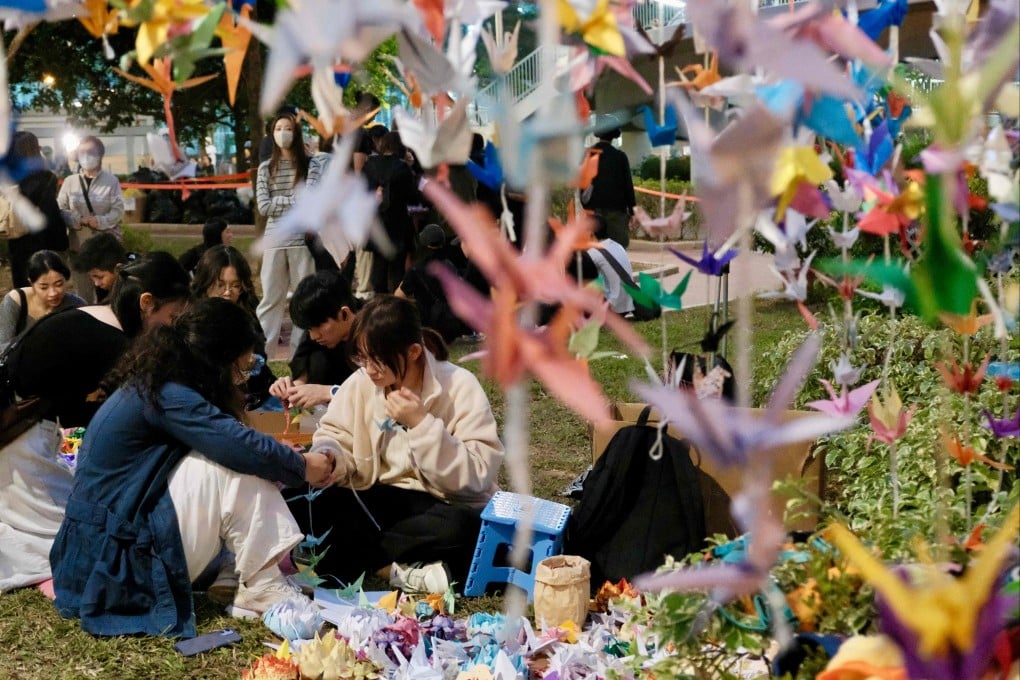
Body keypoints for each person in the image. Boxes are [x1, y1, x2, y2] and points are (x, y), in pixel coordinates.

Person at [49, 298, 334, 637]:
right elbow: (239, 445)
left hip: (100, 551)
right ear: (218, 361)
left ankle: (237, 572)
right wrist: (305, 465)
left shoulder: (158, 381)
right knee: (240, 463)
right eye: (241, 368)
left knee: (241, 454)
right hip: (114, 565)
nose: (242, 380)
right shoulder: (168, 394)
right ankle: (261, 585)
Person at [0, 253, 192, 595]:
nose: (171, 326)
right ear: (147, 303)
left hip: (26, 429)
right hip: (17, 437)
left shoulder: (92, 316)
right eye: (172, 316)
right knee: (66, 533)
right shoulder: (113, 342)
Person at [305, 295, 504, 592]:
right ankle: (394, 567)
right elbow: (335, 433)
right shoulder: (363, 382)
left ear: (412, 352)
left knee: (464, 529)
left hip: (440, 502)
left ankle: (361, 559)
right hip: (377, 497)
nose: (369, 369)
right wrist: (329, 457)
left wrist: (422, 424)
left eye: (378, 359)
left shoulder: (459, 385)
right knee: (310, 498)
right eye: (362, 357)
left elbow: (477, 475)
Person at [256, 112, 322, 353]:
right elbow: (263, 207)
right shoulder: (265, 168)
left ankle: (299, 355)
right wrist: (291, 199)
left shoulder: (311, 164)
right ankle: (261, 355)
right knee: (270, 300)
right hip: (274, 241)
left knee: (303, 301)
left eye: (287, 128)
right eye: (278, 128)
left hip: (301, 241)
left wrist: (281, 201)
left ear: (296, 133)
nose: (282, 132)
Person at [191, 245, 275, 409]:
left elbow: (259, 354)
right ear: (205, 283)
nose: (228, 292)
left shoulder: (247, 311)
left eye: (235, 285)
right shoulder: (193, 319)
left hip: (252, 393)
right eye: (220, 285)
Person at [269, 270, 359, 409]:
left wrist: (328, 392)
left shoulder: (379, 329)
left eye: (317, 327)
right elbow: (304, 358)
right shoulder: (321, 331)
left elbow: (379, 393)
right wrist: (294, 387)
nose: (313, 336)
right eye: (309, 329)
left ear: (344, 314)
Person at [57, 136, 125, 302]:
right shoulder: (70, 182)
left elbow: (118, 211)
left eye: (90, 152)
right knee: (83, 293)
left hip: (105, 246)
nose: (86, 156)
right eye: (82, 152)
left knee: (108, 292)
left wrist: (100, 221)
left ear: (100, 155)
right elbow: (60, 209)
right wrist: (76, 219)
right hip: (79, 245)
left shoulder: (111, 181)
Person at [6, 132, 69, 288]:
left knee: (23, 293)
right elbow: (51, 216)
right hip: (42, 247)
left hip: (17, 244)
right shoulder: (45, 178)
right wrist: (62, 242)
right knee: (45, 294)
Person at [395, 224, 468, 343]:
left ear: (424, 244)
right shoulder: (450, 266)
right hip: (450, 324)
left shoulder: (416, 269)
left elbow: (398, 296)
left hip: (426, 326)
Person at [0, 250, 86, 352]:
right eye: (44, 287)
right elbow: (2, 346)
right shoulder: (16, 301)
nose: (53, 293)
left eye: (58, 284)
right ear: (31, 283)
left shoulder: (77, 305)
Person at [363, 132, 416, 294]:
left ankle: (379, 300)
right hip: (398, 223)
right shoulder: (402, 167)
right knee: (397, 268)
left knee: (379, 264)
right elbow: (412, 197)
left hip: (375, 221)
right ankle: (397, 301)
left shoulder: (369, 165)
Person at [580, 128, 636, 248]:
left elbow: (582, 182)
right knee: (617, 248)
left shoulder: (588, 154)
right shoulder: (620, 157)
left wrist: (586, 206)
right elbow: (628, 185)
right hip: (616, 211)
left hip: (594, 210)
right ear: (614, 136)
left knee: (595, 249)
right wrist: (632, 211)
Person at [70, 232, 132, 304]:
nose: (96, 283)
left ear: (118, 269)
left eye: (100, 277)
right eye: (91, 277)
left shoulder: (136, 290)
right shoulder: (103, 288)